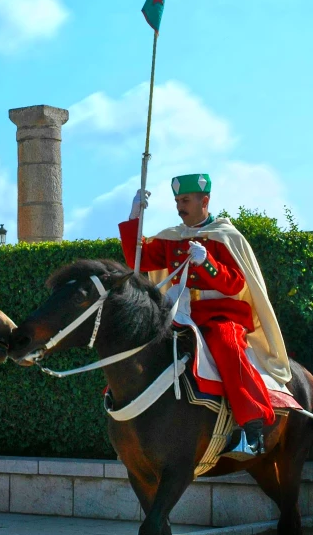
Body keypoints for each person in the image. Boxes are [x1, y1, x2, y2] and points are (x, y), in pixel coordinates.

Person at [118, 174, 293, 455]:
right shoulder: (172, 238)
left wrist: (207, 263)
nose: (179, 207)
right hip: (181, 313)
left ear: (205, 201)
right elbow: (137, 260)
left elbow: (235, 283)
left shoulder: (226, 236)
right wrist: (134, 218)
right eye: (177, 201)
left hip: (223, 315)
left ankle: (252, 429)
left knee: (226, 344)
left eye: (185, 200)